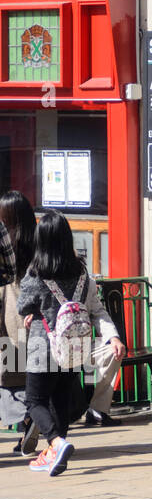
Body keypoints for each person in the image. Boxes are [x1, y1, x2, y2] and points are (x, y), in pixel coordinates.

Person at [18, 211, 124, 476]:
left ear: (41, 240)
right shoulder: (81, 273)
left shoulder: (35, 274)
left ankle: (56, 442)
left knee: (35, 400)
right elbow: (96, 308)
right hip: (74, 347)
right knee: (60, 400)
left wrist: (35, 312)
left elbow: (23, 306)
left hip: (44, 346)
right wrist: (113, 336)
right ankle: (55, 453)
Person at [0, 192, 36, 453]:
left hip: (8, 314)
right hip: (35, 318)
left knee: (9, 377)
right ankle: (33, 419)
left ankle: (25, 422)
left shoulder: (5, 240)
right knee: (33, 375)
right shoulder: (39, 241)